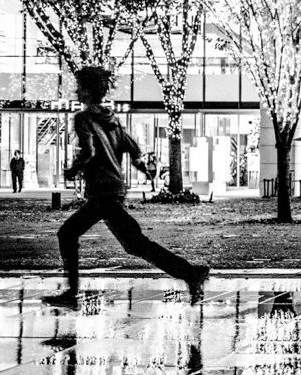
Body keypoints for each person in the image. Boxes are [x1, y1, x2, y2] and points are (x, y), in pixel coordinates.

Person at [49, 66, 209, 307]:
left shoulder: (84, 118)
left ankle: (72, 294)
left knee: (68, 234)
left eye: (80, 86)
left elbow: (89, 151)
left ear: (88, 90)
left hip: (102, 192)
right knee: (135, 244)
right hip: (113, 191)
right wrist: (144, 170)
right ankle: (191, 273)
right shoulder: (112, 120)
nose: (76, 91)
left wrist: (73, 169)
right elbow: (133, 149)